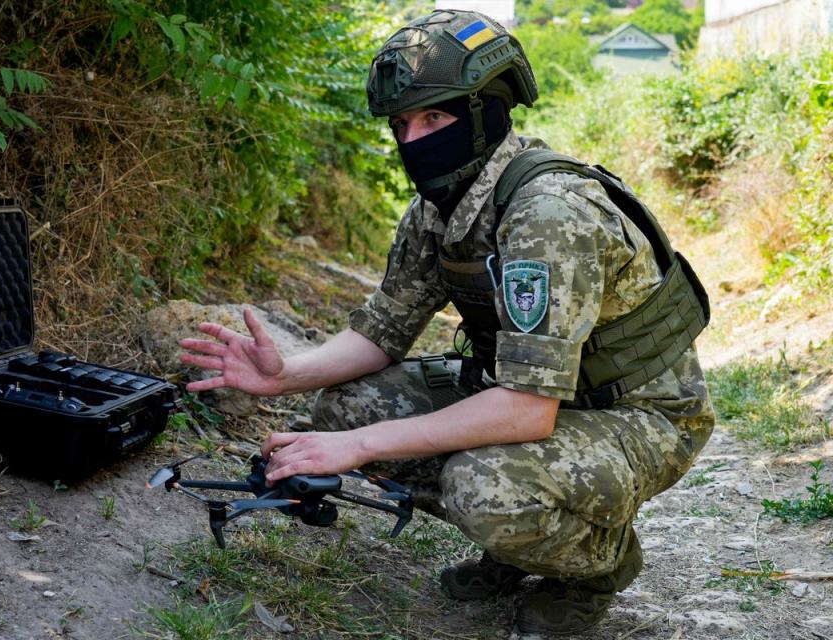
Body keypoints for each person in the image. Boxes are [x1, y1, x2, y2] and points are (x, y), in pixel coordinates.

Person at [180, 9, 715, 635]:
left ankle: (595, 563)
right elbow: (381, 331)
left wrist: (355, 451)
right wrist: (282, 376)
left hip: (638, 416)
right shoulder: (440, 207)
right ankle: (521, 542)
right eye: (402, 124)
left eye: (434, 117)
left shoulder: (547, 213)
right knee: (347, 408)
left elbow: (525, 411)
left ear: (485, 112)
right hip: (544, 399)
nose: (414, 140)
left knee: (482, 485)